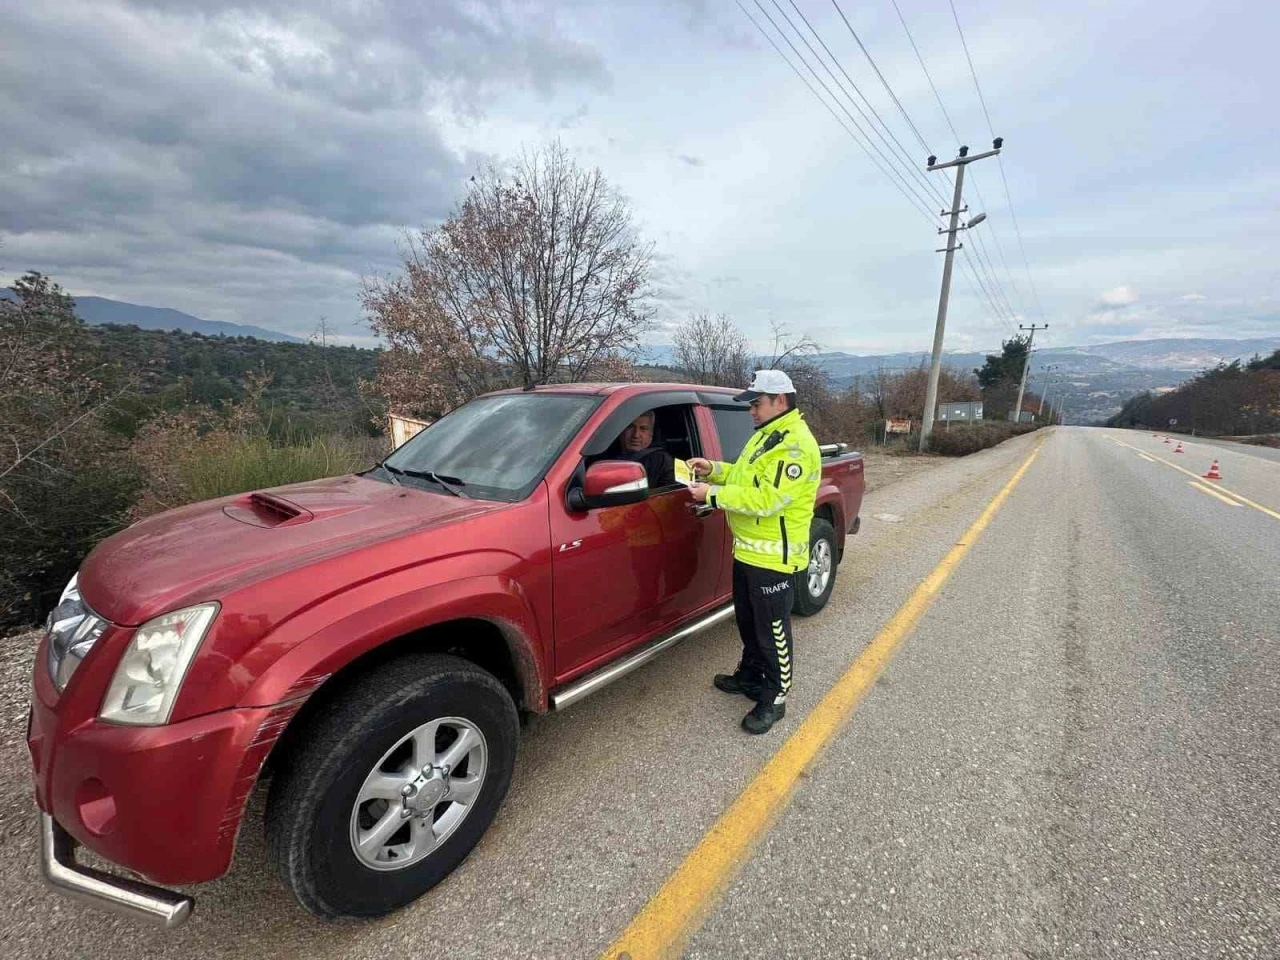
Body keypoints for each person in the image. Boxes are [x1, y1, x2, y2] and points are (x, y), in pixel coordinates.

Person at [688, 370, 821, 734]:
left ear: (780, 401)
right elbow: (747, 479)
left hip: (773, 558)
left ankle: (775, 697)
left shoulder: (794, 445)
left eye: (757, 403)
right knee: (748, 622)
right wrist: (713, 470)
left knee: (772, 630)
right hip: (748, 551)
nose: (751, 410)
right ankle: (749, 676)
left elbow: (766, 500)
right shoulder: (767, 437)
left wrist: (710, 496)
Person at [614, 410, 676, 487]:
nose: (636, 435)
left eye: (643, 428)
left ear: (651, 433)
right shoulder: (603, 451)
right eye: (630, 427)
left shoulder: (662, 460)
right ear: (620, 430)